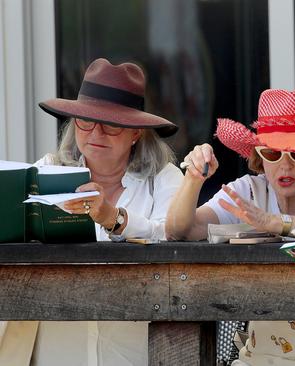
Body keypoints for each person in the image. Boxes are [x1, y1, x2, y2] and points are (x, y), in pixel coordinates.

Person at [166, 85, 295, 365]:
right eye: (273, 154)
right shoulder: (250, 191)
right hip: (260, 359)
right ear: (259, 158)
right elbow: (180, 230)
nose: (285, 166)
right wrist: (193, 178)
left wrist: (277, 223)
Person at [5, 58, 183, 366]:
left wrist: (114, 218)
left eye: (112, 124)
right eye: (85, 121)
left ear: (136, 133)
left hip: (137, 350)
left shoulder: (164, 179)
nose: (96, 133)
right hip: (59, 350)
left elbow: (175, 234)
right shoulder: (46, 171)